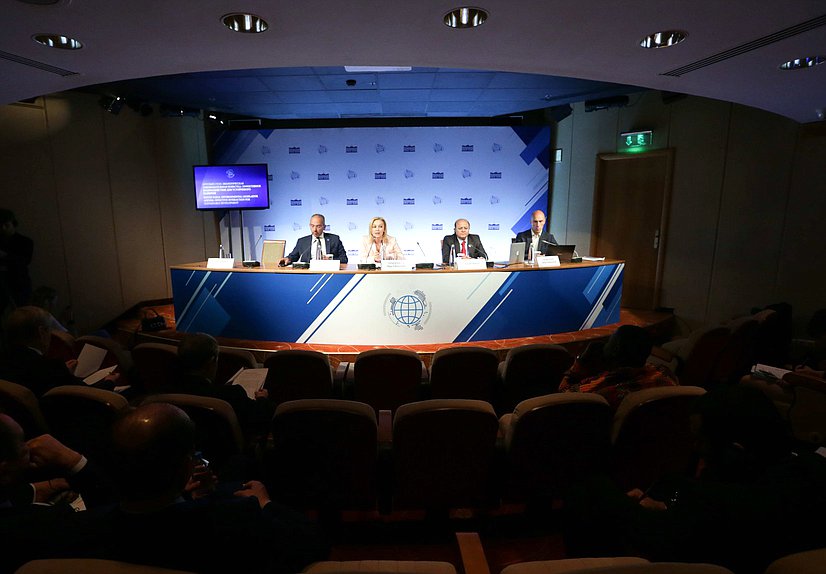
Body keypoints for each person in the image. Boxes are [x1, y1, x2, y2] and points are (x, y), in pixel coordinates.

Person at [563, 385, 826, 574]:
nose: (696, 448)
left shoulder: (726, 503)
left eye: (702, 440)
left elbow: (663, 533)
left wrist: (644, 509)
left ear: (735, 450)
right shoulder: (808, 471)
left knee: (591, 490)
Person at [92, 402, 329, 574]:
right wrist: (265, 504)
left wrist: (186, 497)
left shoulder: (86, 528)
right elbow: (313, 544)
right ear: (187, 467)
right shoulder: (238, 519)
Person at [173, 332, 273, 441]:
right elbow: (260, 423)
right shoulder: (231, 395)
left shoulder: (163, 391)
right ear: (212, 361)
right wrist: (263, 399)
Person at [0, 306, 118, 397]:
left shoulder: (5, 360)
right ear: (41, 332)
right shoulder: (50, 367)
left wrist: (64, 372)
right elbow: (89, 394)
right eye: (49, 330)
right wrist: (109, 382)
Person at [559, 324, 678, 410]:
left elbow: (563, 395)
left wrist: (580, 363)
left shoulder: (605, 390)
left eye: (610, 341)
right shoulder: (666, 375)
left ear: (614, 351)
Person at [279, 213, 348, 266]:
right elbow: (293, 256)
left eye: (318, 226)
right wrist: (287, 259)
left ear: (324, 227)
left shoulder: (334, 239)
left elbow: (344, 259)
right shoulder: (302, 241)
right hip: (308, 273)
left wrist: (331, 260)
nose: (314, 230)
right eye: (312, 226)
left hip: (328, 272)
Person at [0, 208, 33, 310]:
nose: (3, 228)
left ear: (13, 224)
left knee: (23, 313)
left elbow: (25, 261)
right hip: (3, 284)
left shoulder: (25, 242)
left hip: (19, 284)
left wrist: (5, 256)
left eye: (6, 225)